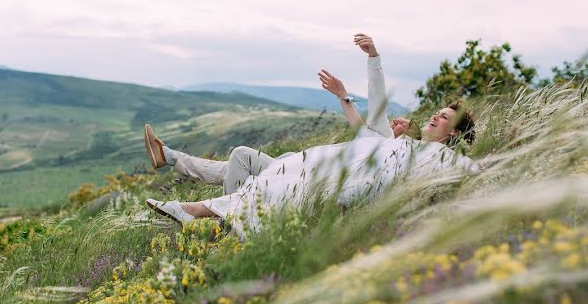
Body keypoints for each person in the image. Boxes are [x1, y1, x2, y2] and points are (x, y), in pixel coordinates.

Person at [146, 36, 479, 237]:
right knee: (241, 157)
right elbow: (370, 112)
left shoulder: (418, 153)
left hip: (313, 178)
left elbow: (377, 106)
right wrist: (352, 83)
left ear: (452, 134)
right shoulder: (388, 141)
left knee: (242, 162)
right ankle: (197, 192)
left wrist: (370, 63)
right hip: (301, 167)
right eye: (438, 112)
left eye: (444, 117)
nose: (435, 115)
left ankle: (216, 218)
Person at [144, 35, 428, 194]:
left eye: (403, 125)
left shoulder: (390, 148)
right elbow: (358, 122)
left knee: (239, 157)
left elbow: (377, 99)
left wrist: (373, 56)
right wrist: (341, 94)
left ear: (406, 140)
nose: (396, 122)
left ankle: (228, 222)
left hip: (301, 178)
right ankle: (167, 156)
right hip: (294, 164)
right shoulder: (374, 138)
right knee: (227, 168)